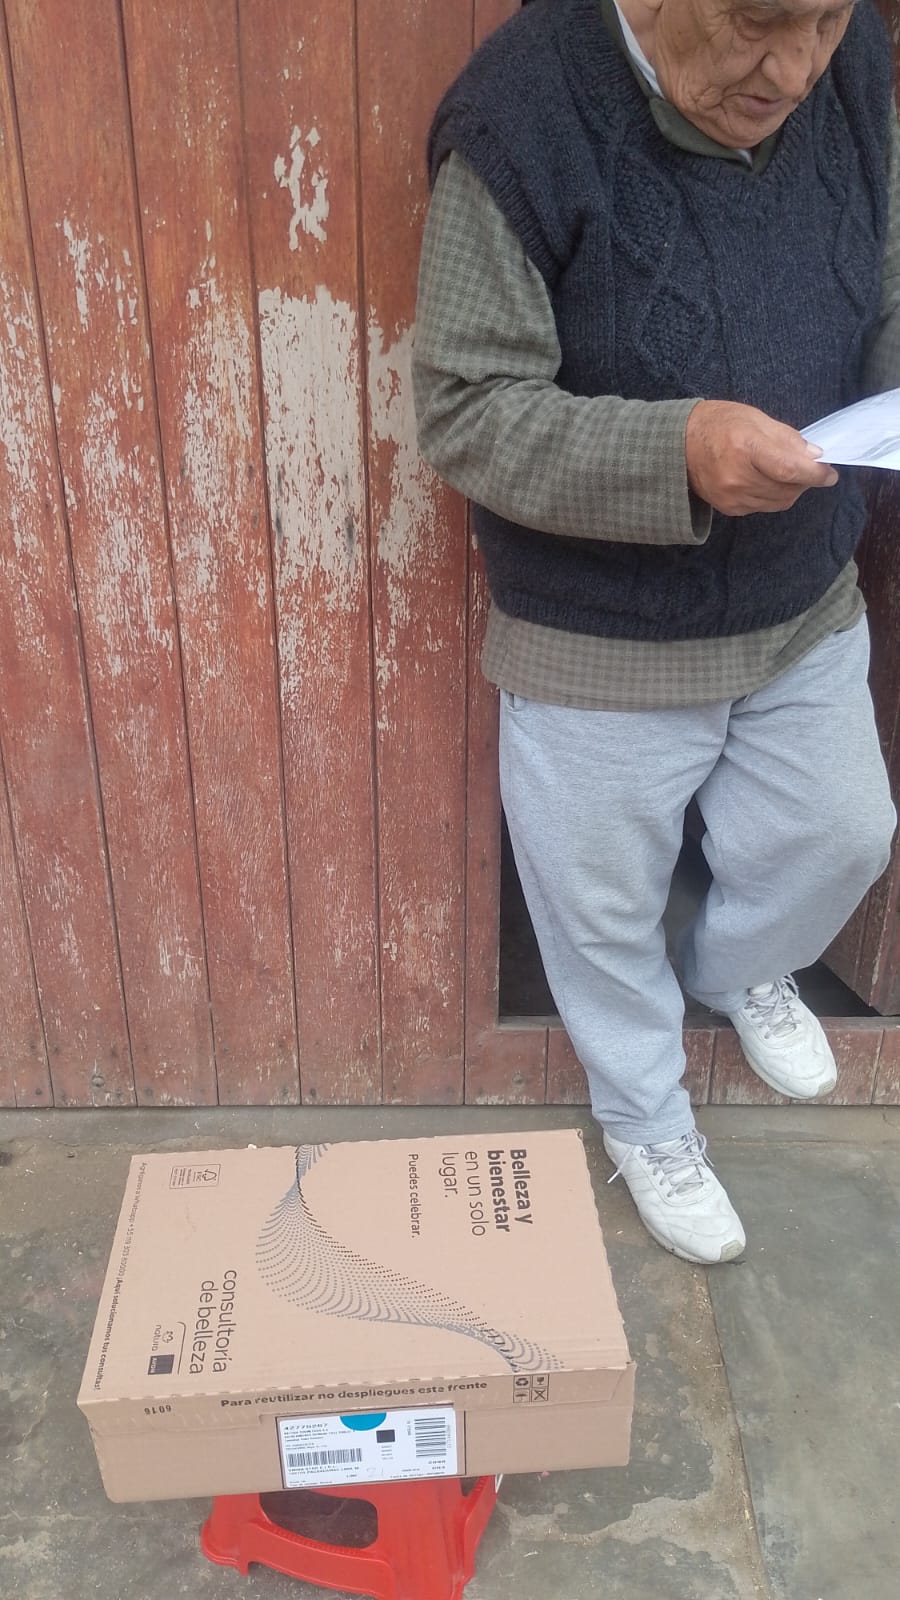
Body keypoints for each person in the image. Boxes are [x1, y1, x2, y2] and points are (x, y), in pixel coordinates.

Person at [413, 0, 900, 1264]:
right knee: (602, 913)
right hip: (598, 634)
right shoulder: (519, 120)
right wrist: (674, 451)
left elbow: (886, 277)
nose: (796, 70)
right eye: (758, 23)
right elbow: (466, 409)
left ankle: (735, 966)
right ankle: (644, 1114)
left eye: (827, 19)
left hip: (800, 591)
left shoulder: (852, 68)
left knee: (844, 829)